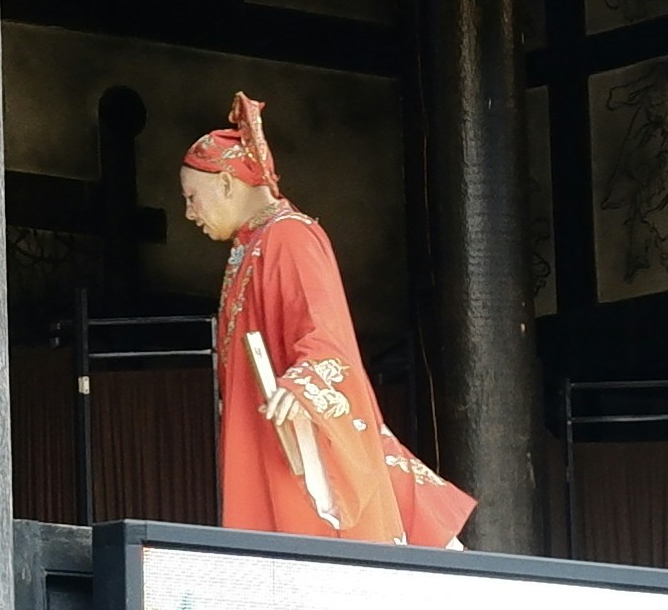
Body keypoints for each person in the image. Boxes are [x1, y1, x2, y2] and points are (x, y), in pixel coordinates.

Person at [179, 97, 472, 547]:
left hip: (291, 439)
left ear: (226, 183)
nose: (189, 213)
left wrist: (303, 385)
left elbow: (325, 333)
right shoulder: (254, 246)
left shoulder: (289, 236)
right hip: (265, 436)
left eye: (192, 198)